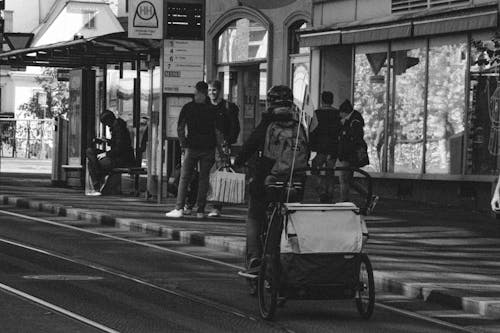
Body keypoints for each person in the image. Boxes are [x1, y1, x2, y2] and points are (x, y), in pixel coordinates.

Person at [234, 85, 305, 273]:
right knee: (294, 216)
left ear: (270, 103)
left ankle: (255, 257)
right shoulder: (299, 125)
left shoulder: (267, 124)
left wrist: (238, 161)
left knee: (254, 216)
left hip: (268, 181)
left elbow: (250, 145)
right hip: (296, 182)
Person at [165, 81, 216, 219]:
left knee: (185, 178)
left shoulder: (188, 107)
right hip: (209, 148)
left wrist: (183, 144)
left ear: (197, 92)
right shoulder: (212, 109)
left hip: (192, 147)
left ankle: (179, 208)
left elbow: (180, 127)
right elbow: (218, 131)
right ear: (206, 93)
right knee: (204, 179)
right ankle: (200, 210)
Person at [337, 99, 378, 213]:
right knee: (349, 180)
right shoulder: (354, 120)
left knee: (344, 179)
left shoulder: (353, 122)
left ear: (344, 112)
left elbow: (352, 139)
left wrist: (344, 152)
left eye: (340, 113)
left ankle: (344, 201)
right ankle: (369, 196)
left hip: (348, 155)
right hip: (349, 155)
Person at [207, 79, 241, 217]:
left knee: (219, 175)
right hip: (206, 144)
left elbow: (235, 127)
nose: (211, 93)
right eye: (209, 90)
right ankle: (197, 203)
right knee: (203, 174)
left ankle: (217, 207)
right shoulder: (205, 106)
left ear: (219, 91)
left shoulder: (228, 107)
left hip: (221, 146)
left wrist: (229, 142)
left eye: (214, 90)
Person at [85, 110, 135, 196]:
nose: (107, 126)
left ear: (109, 120)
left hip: (122, 159)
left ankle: (97, 184)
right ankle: (98, 176)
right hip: (116, 156)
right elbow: (118, 144)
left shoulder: (119, 128)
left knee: (91, 163)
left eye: (106, 123)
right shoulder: (117, 127)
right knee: (90, 152)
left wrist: (106, 154)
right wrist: (107, 141)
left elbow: (121, 148)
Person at [309, 91, 341, 203]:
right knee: (330, 172)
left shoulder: (317, 114)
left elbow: (312, 130)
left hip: (320, 147)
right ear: (332, 100)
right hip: (333, 148)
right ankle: (330, 194)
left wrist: (311, 146)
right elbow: (339, 131)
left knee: (315, 169)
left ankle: (321, 191)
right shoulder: (337, 114)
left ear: (322, 100)